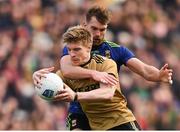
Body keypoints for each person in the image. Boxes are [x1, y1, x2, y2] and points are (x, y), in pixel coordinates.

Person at [33, 6, 173, 130]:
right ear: (84, 25)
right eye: (94, 28)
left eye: (102, 29)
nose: (98, 34)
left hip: (111, 112)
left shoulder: (113, 54)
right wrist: (39, 78)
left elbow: (144, 70)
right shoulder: (73, 48)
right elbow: (66, 71)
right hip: (80, 111)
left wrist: (158, 76)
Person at [34, 25, 141, 130]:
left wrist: (76, 96)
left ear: (89, 47)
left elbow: (107, 93)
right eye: (69, 50)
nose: (72, 54)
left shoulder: (106, 64)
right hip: (97, 127)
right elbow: (48, 86)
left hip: (121, 122)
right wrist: (37, 78)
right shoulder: (65, 74)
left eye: (76, 49)